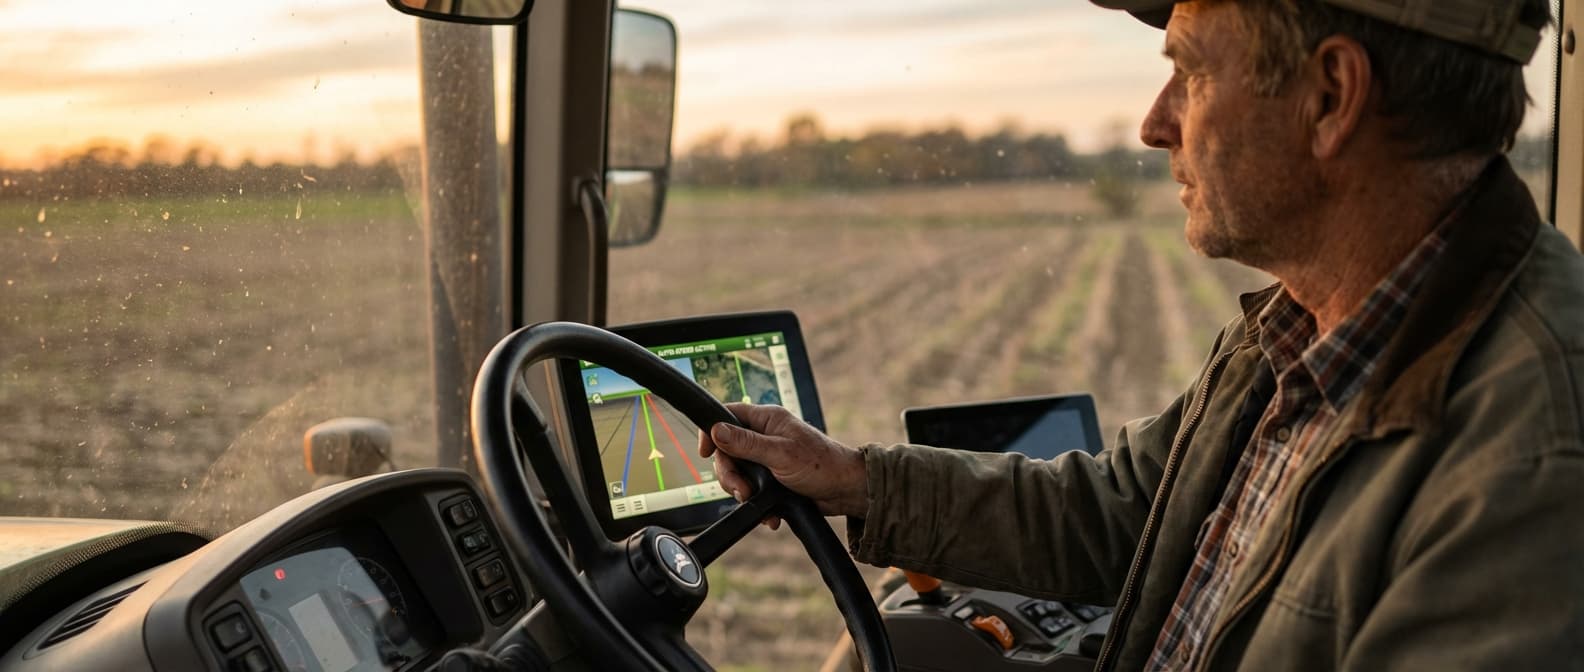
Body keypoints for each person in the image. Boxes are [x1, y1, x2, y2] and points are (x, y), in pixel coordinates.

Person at [698, 1, 1584, 670]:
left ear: (1330, 97)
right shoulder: (1301, 333)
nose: (1155, 123)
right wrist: (856, 481)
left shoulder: (1532, 463)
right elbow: (1120, 515)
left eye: (1191, 74)